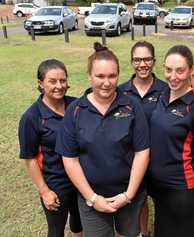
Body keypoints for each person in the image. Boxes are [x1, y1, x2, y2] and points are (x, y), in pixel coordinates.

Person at [55, 42, 150, 237]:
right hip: (92, 197)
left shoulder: (131, 106)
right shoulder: (75, 111)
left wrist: (129, 195)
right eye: (100, 76)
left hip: (128, 194)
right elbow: (70, 159)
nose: (106, 83)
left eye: (112, 76)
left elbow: (142, 152)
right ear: (89, 76)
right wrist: (92, 198)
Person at [148, 45, 194, 237]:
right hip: (158, 187)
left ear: (192, 70)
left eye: (180, 70)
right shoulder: (161, 94)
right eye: (168, 70)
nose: (173, 76)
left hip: (183, 189)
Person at [18, 59, 82, 237]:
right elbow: (30, 159)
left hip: (81, 179)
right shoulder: (31, 117)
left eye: (62, 80)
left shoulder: (76, 105)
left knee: (79, 224)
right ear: (40, 83)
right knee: (56, 231)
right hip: (56, 184)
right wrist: (44, 191)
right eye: (52, 81)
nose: (59, 86)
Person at [119, 40, 168, 237]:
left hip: (160, 158)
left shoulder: (166, 90)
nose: (142, 64)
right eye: (137, 60)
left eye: (147, 59)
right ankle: (141, 233)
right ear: (131, 62)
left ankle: (153, 231)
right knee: (138, 199)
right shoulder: (120, 91)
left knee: (162, 200)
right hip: (131, 159)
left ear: (154, 61)